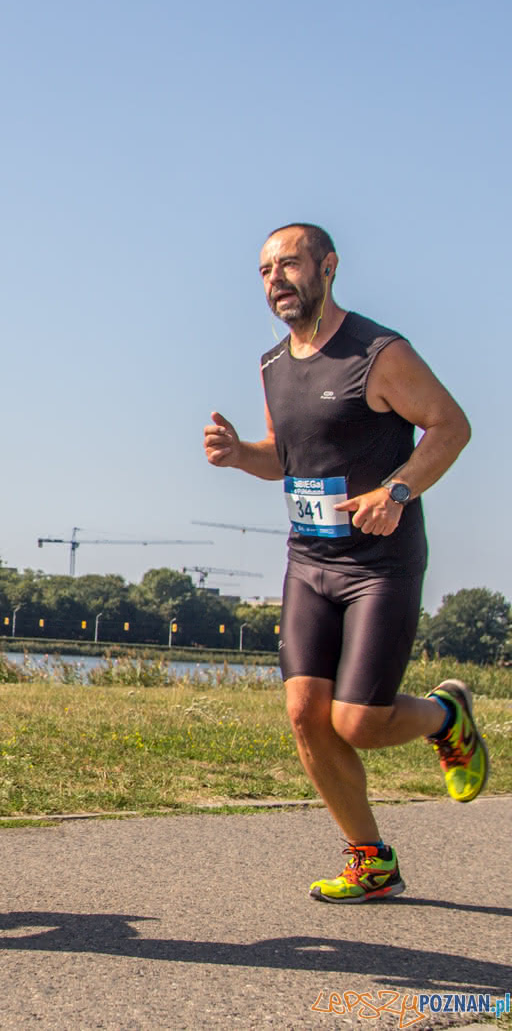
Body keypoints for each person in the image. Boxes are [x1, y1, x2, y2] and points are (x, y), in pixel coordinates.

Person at [203, 222, 485, 903]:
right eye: (266, 270)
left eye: (290, 264)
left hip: (380, 563)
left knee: (359, 721)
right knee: (305, 712)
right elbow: (288, 457)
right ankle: (370, 858)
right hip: (309, 561)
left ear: (328, 267)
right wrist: (243, 454)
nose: (276, 279)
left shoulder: (378, 353)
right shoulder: (273, 365)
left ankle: (448, 717)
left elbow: (451, 425)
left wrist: (399, 489)